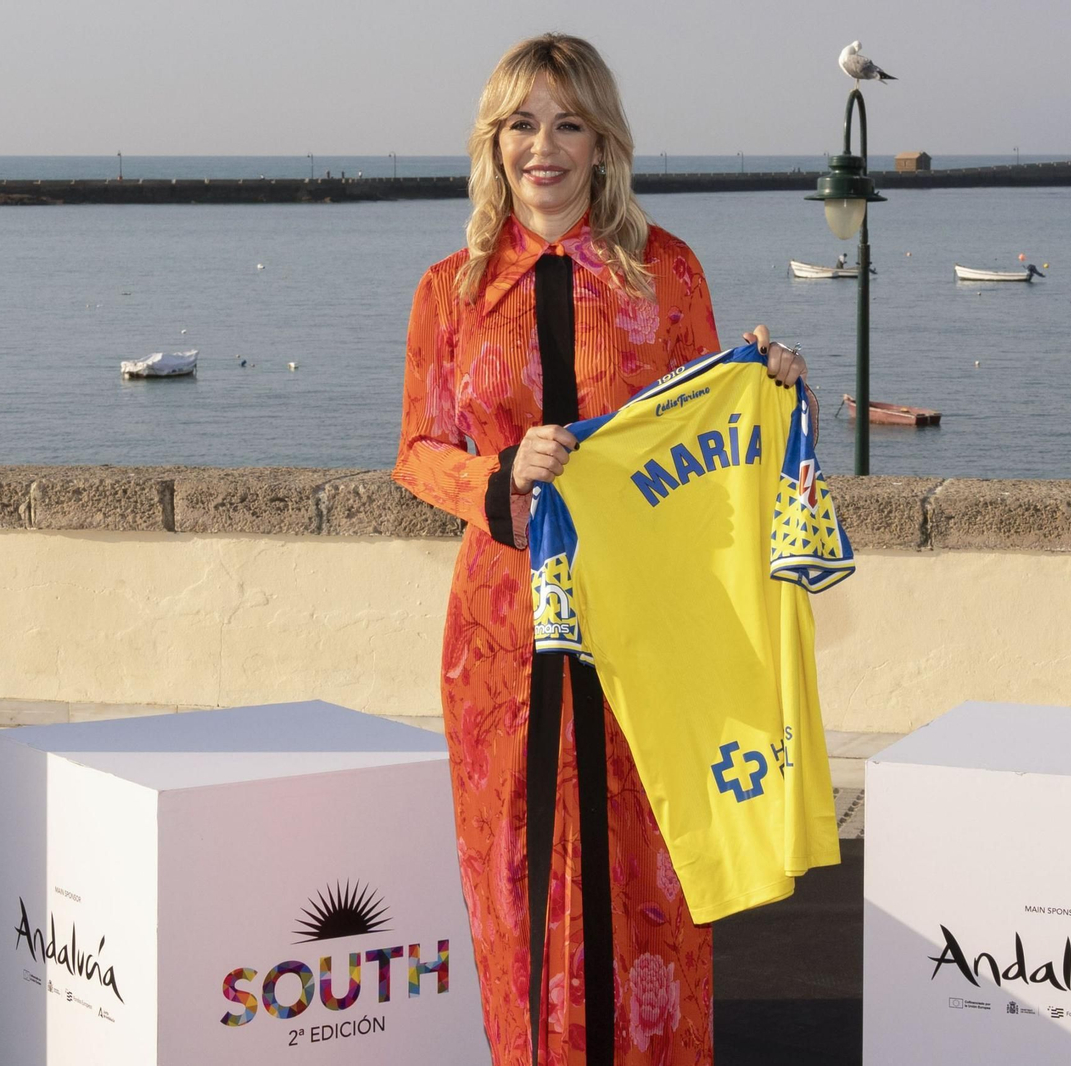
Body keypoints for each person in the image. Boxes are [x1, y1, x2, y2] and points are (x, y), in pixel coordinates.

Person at [393, 32, 805, 1066]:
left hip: (645, 628)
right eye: (522, 125)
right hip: (501, 639)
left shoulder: (665, 272)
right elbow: (415, 449)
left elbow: (707, 444)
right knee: (516, 885)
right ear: (492, 144)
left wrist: (770, 388)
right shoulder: (449, 289)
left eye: (568, 123)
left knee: (649, 876)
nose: (545, 147)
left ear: (603, 142)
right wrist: (497, 477)